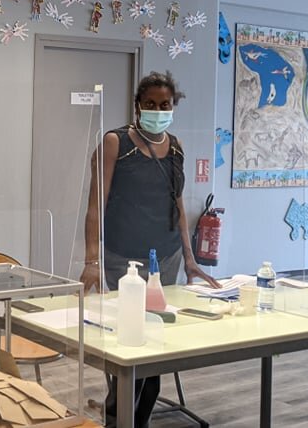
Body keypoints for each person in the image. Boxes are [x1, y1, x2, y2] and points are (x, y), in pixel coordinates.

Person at [81, 70, 220, 428]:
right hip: (122, 258)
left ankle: (137, 421)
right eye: (150, 104)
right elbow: (96, 204)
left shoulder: (175, 146)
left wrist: (190, 259)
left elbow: (178, 207)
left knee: (156, 343)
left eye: (165, 105)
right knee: (128, 344)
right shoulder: (115, 142)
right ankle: (117, 417)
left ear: (173, 107)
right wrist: (92, 259)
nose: (158, 110)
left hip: (167, 256)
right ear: (137, 106)